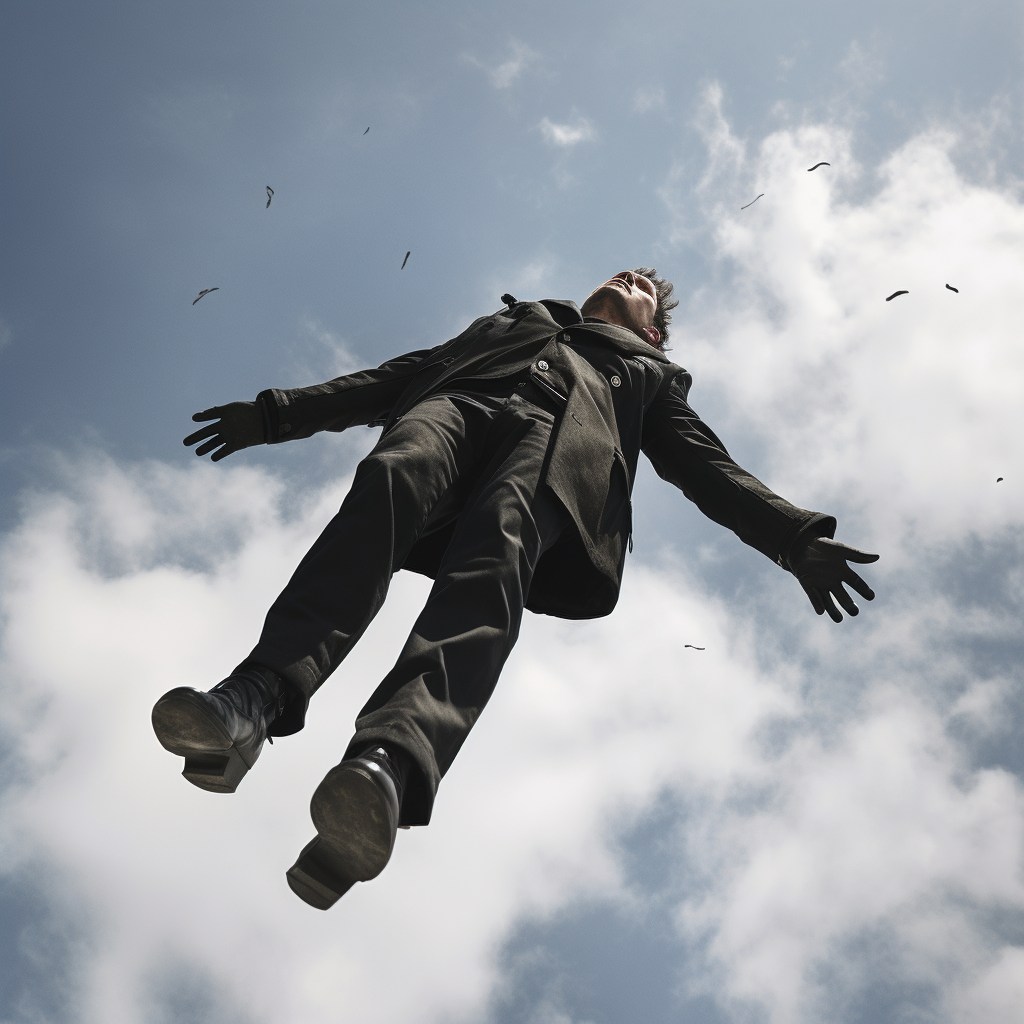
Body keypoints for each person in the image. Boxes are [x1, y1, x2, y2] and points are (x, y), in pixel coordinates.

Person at [152, 269, 878, 910]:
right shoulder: (519, 317)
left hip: (554, 451)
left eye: (641, 287)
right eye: (622, 271)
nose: (626, 275)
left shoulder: (649, 375)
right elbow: (405, 374)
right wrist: (282, 413)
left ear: (652, 332)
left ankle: (387, 769)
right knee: (391, 478)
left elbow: (705, 465)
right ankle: (253, 699)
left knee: (491, 568)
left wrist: (792, 537)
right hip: (460, 407)